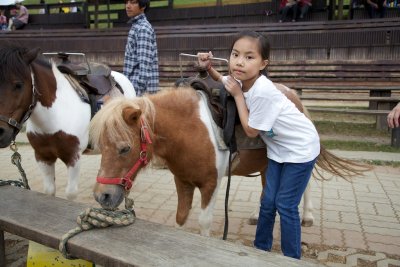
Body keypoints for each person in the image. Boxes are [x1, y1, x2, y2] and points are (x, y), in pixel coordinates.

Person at [197, 31, 320, 259]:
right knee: (267, 201)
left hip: (300, 149)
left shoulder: (263, 91)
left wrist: (239, 97)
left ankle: (291, 258)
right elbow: (221, 80)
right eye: (235, 54)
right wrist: (209, 67)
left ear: (263, 64)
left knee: (285, 205)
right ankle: (261, 249)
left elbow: (252, 130)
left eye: (249, 57)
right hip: (278, 150)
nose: (240, 61)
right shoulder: (241, 80)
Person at [123, 0, 159, 97]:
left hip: (140, 94)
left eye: (133, 2)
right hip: (133, 89)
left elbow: (144, 69)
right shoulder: (136, 26)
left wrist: (135, 96)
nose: (128, 6)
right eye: (126, 2)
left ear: (143, 6)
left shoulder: (143, 29)